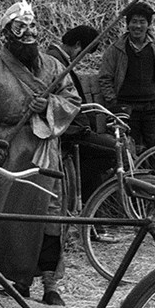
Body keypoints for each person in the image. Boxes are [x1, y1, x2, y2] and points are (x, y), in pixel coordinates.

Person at [0, 1, 81, 306]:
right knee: (11, 218)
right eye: (20, 27)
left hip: (45, 152)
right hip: (8, 153)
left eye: (32, 27)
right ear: (6, 33)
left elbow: (72, 100)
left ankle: (50, 283)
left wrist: (50, 106)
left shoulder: (55, 66)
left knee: (49, 218)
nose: (28, 33)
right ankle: (17, 281)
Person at [47, 25, 116, 204]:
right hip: (70, 130)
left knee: (97, 154)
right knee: (116, 150)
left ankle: (89, 209)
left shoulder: (58, 59)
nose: (82, 58)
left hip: (74, 127)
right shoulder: (56, 63)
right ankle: (78, 189)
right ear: (78, 45)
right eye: (84, 53)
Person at [97, 2, 155, 158]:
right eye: (134, 21)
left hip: (152, 108)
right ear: (127, 24)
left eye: (142, 22)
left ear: (148, 25)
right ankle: (133, 183)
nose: (137, 26)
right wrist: (113, 102)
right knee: (129, 155)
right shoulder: (116, 49)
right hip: (126, 109)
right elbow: (105, 77)